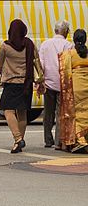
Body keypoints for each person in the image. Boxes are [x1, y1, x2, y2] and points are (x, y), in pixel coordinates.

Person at [0, 17, 43, 153]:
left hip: (11, 83)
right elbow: (37, 62)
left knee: (8, 110)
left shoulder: (6, 46)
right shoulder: (29, 44)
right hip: (26, 83)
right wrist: (41, 80)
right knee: (22, 113)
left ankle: (18, 139)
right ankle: (19, 141)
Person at [37, 21, 73, 149]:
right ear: (65, 31)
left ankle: (48, 139)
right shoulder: (68, 45)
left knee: (48, 112)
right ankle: (59, 141)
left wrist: (40, 81)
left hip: (48, 83)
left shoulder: (45, 44)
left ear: (55, 30)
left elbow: (40, 64)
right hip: (63, 84)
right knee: (60, 113)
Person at [58, 29, 88, 152]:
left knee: (76, 114)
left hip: (75, 86)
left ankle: (79, 140)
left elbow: (64, 72)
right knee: (86, 113)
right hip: (87, 86)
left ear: (74, 40)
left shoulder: (69, 54)